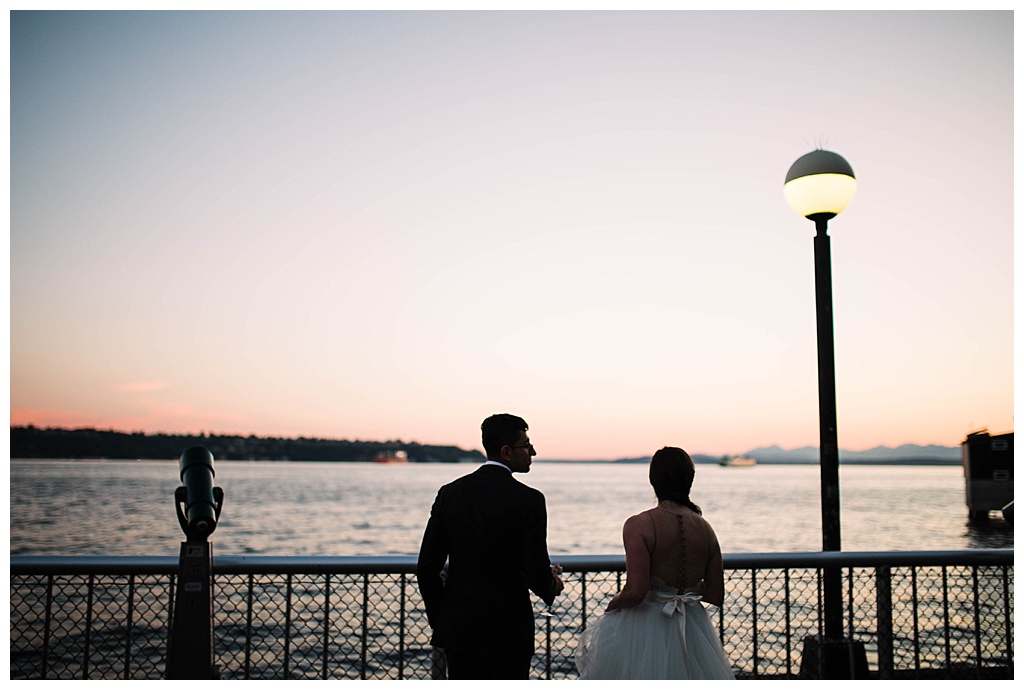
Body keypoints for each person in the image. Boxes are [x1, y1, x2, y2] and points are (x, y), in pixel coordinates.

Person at [416, 413, 564, 680]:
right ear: (507, 452)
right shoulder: (529, 500)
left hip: (459, 630)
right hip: (510, 630)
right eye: (526, 445)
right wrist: (552, 584)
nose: (533, 451)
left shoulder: (450, 493)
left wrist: (442, 620)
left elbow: (427, 568)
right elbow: (534, 572)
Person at [575, 446, 735, 680]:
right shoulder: (706, 529)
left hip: (645, 627)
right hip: (693, 627)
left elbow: (636, 591)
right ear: (689, 479)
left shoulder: (639, 525)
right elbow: (715, 594)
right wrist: (684, 591)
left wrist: (613, 605)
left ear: (654, 480)